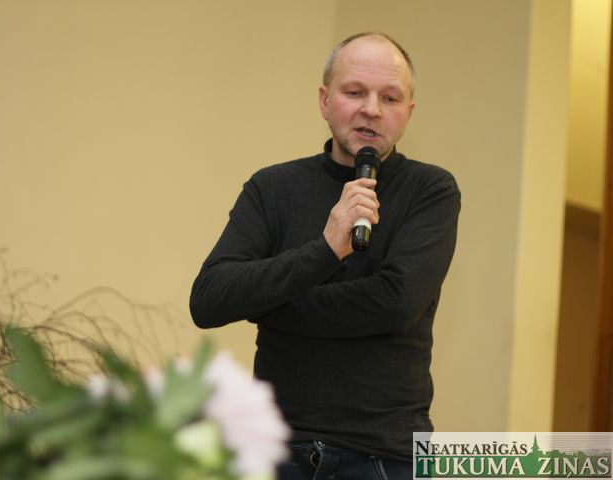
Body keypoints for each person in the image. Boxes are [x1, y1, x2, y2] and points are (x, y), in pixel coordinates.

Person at [189, 31, 460, 480]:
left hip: (385, 456)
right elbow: (210, 299)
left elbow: (395, 303)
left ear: (408, 112)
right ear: (324, 100)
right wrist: (326, 249)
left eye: (390, 97)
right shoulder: (273, 188)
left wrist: (269, 306)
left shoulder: (430, 190)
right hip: (276, 448)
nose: (371, 109)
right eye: (354, 92)